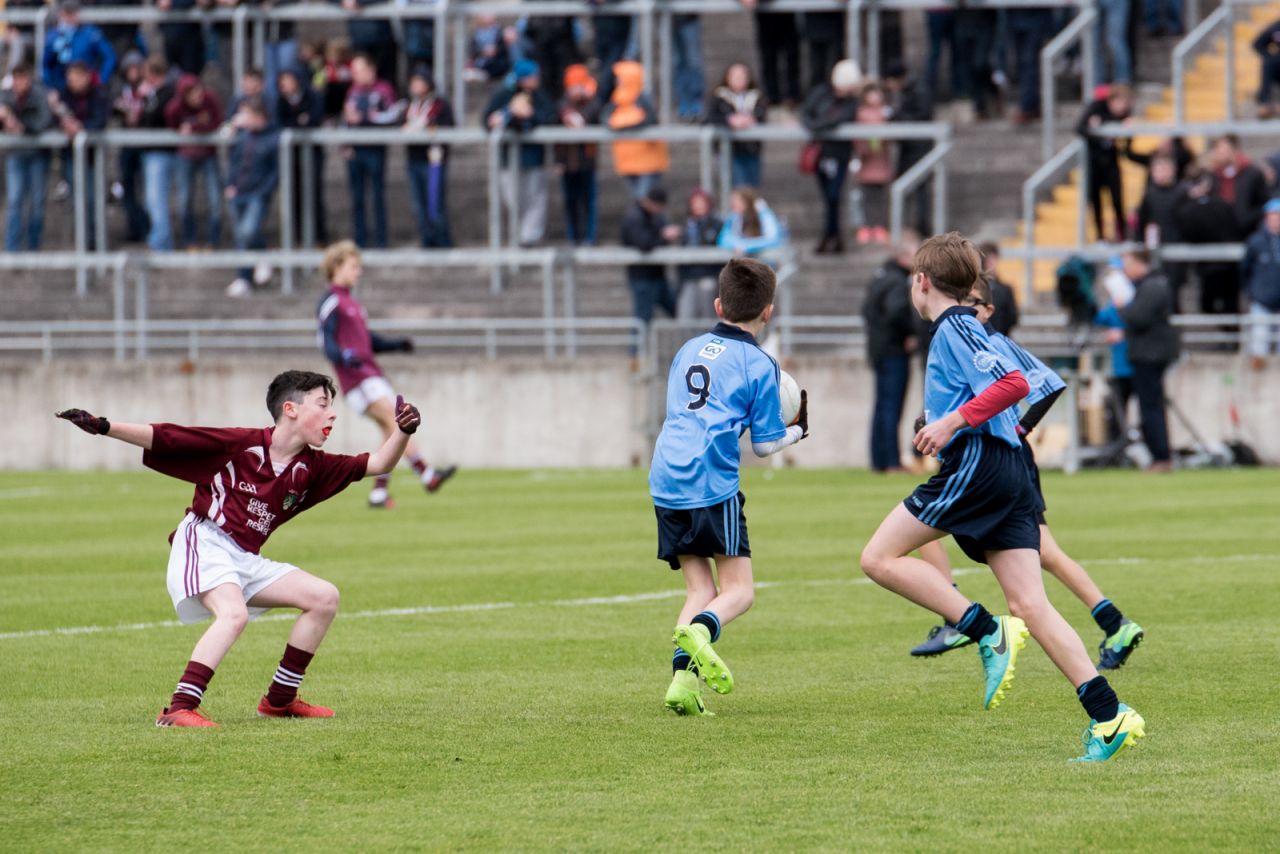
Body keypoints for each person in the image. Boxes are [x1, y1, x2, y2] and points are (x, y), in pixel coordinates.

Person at [858, 232, 1146, 762]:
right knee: (1031, 604)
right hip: (1008, 466)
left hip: (979, 467)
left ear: (921, 282)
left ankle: (983, 630)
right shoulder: (975, 327)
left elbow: (1014, 384)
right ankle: (1110, 716)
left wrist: (951, 423)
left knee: (878, 557)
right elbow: (1042, 382)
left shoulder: (953, 328)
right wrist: (960, 421)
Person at [54, 370, 424, 727]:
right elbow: (166, 437)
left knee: (324, 597)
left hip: (243, 556)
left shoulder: (315, 466)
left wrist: (403, 430)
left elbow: (379, 463)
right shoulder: (240, 444)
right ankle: (179, 708)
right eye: (322, 403)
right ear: (290, 409)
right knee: (234, 615)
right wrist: (103, 426)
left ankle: (279, 701)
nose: (332, 414)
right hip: (204, 539)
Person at [909, 274, 1145, 672]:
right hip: (989, 459)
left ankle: (958, 619)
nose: (968, 310)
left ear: (988, 310)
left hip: (1001, 460)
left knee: (927, 529)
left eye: (975, 304)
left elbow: (1046, 385)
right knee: (1039, 554)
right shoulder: (965, 340)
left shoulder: (991, 342)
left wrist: (1019, 429)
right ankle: (1112, 623)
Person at [650, 257, 810, 716]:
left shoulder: (688, 348)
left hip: (665, 477)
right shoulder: (759, 364)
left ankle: (682, 682)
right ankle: (702, 633)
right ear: (768, 312)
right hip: (710, 481)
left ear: (718, 303)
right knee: (738, 592)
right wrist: (798, 429)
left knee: (699, 591)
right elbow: (763, 446)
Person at [316, 241, 457, 507]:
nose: (358, 272)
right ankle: (426, 474)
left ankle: (379, 492)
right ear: (336, 267)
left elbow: (366, 341)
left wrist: (396, 345)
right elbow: (326, 341)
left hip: (372, 374)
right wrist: (343, 357)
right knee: (398, 421)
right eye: (353, 266)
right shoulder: (332, 301)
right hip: (358, 379)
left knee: (390, 429)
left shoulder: (353, 304)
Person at [862, 232, 919, 473]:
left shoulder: (881, 276)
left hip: (878, 349)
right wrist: (910, 334)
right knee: (892, 407)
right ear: (905, 256)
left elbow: (866, 310)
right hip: (893, 351)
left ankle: (879, 460)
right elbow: (896, 312)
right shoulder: (897, 281)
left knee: (881, 406)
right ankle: (892, 461)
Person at [1118, 248, 1179, 472]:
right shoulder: (1153, 284)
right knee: (1151, 406)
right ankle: (1159, 455)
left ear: (1139, 263)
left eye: (1127, 263)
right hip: (1149, 352)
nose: (1125, 270)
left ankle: (1161, 457)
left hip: (1149, 354)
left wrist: (1122, 305)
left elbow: (1139, 318)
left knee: (1150, 406)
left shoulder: (1152, 286)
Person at [484, 58, 556, 246]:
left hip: (533, 157)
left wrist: (530, 117)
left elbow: (549, 116)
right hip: (508, 159)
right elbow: (487, 119)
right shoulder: (503, 94)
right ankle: (519, 235)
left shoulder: (539, 96)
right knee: (513, 198)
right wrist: (503, 117)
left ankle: (530, 238)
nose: (537, 79)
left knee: (535, 197)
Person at [801, 59, 861, 255]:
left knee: (833, 196)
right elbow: (807, 114)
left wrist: (818, 125)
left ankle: (831, 236)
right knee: (828, 197)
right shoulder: (821, 93)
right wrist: (818, 125)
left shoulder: (852, 101)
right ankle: (831, 235)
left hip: (839, 153)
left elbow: (837, 119)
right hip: (821, 153)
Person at [224, 98, 279, 297]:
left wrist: (264, 191)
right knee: (241, 236)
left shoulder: (273, 139)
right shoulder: (241, 136)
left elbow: (275, 172)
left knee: (248, 231)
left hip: (257, 194)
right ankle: (244, 277)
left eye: (248, 115)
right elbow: (233, 162)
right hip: (238, 191)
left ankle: (260, 256)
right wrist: (230, 184)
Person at [343, 54, 399, 249]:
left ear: (371, 70)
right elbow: (346, 121)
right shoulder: (352, 91)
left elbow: (392, 115)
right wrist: (346, 144)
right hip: (355, 150)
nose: (355, 75)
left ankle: (381, 240)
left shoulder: (383, 89)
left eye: (359, 70)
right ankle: (360, 240)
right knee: (357, 197)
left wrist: (366, 118)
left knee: (377, 195)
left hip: (375, 149)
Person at [51, 60, 108, 249]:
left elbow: (100, 120)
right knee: (77, 200)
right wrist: (62, 123)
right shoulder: (63, 95)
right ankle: (82, 241)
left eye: (75, 77)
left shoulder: (98, 93)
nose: (71, 81)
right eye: (69, 77)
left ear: (85, 76)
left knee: (92, 199)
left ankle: (94, 243)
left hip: (92, 157)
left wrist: (81, 128)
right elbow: (51, 119)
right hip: (70, 156)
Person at [165, 73, 224, 250]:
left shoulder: (211, 99)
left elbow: (218, 123)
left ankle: (213, 242)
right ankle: (190, 241)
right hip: (185, 157)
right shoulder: (174, 108)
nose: (198, 97)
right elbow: (172, 127)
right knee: (184, 201)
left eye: (199, 92)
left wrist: (195, 128)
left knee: (216, 201)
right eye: (193, 94)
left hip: (209, 155)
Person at [0, 63, 54, 252]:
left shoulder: (40, 95)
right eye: (16, 79)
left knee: (37, 203)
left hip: (38, 155)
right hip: (16, 154)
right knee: (14, 201)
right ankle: (12, 248)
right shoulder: (6, 97)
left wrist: (21, 126)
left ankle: (33, 247)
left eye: (22, 78)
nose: (19, 83)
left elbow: (44, 121)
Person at [402, 67, 455, 248]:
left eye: (420, 82)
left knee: (436, 204)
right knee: (419, 205)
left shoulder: (440, 105)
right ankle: (427, 241)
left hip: (434, 161)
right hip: (414, 158)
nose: (416, 86)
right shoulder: (409, 106)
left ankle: (443, 241)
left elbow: (448, 128)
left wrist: (427, 129)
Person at [620, 185, 680, 343]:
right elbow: (644, 243)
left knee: (678, 310)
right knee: (642, 318)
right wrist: (664, 237)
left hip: (658, 276)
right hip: (642, 278)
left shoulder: (656, 217)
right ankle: (635, 355)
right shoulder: (635, 217)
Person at [603, 60, 669, 200]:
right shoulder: (617, 98)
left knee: (645, 201)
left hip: (647, 161)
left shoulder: (643, 99)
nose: (618, 81)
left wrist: (623, 122)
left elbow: (649, 119)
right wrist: (628, 120)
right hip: (627, 160)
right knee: (637, 201)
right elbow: (607, 119)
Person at [276, 68, 328, 245]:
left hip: (313, 154)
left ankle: (319, 237)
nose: (285, 86)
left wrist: (301, 121)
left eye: (288, 80)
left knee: (314, 194)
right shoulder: (280, 102)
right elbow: (281, 123)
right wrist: (299, 121)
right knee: (294, 196)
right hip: (291, 156)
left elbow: (314, 118)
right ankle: (297, 237)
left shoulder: (312, 96)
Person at [1077, 84, 1132, 243]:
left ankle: (1123, 235)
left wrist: (1127, 132)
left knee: (1117, 200)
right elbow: (1080, 128)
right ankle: (1100, 236)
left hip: (1111, 163)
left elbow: (1127, 148)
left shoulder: (1124, 115)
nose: (1122, 108)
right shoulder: (1096, 108)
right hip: (1093, 164)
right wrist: (1098, 133)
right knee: (1096, 201)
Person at [554, 64, 600, 247]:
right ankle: (573, 237)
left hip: (587, 162)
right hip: (567, 164)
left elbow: (591, 116)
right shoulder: (561, 106)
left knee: (589, 201)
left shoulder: (591, 104)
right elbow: (557, 140)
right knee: (570, 202)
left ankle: (590, 237)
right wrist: (558, 162)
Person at [138, 57, 178, 252]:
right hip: (151, 152)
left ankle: (160, 244)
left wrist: (147, 98)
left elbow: (154, 118)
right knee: (151, 200)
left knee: (156, 200)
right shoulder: (154, 95)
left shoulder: (168, 93)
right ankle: (159, 239)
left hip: (162, 153)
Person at [707, 63, 767, 190]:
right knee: (738, 188)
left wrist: (750, 119)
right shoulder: (719, 97)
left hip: (751, 149)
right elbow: (710, 118)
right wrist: (730, 120)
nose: (739, 79)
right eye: (735, 76)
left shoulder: (756, 97)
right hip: (730, 150)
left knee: (752, 189)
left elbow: (762, 116)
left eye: (742, 75)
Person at [111, 51, 150, 243]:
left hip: (146, 144)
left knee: (146, 189)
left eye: (137, 68)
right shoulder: (120, 89)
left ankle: (146, 227)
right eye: (130, 68)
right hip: (127, 145)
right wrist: (120, 109)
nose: (133, 72)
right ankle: (134, 227)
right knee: (127, 186)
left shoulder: (148, 89)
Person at [41, 0, 115, 95]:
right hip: (62, 88)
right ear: (61, 14)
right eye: (67, 13)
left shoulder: (90, 34)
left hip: (88, 89)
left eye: (73, 13)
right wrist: (50, 88)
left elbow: (109, 56)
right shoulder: (54, 36)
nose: (70, 18)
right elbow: (46, 64)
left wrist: (101, 80)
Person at [1239, 198, 1280, 368]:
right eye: (1273, 216)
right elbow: (1245, 269)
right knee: (1259, 339)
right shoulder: (1256, 242)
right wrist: (1253, 291)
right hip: (1262, 299)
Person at [854, 82, 894, 245]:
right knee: (867, 197)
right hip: (867, 161)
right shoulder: (861, 113)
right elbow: (857, 138)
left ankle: (879, 226)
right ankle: (866, 226)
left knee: (880, 197)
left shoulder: (886, 113)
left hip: (881, 160)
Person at [676, 188, 722, 320]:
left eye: (701, 202)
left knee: (708, 315)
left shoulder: (716, 223)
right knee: (686, 314)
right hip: (689, 276)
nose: (698, 206)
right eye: (695, 203)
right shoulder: (688, 224)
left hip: (708, 275)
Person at [748, 0, 800, 109]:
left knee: (791, 58)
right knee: (768, 58)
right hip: (765, 19)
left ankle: (792, 95)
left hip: (787, 18)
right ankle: (772, 96)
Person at [716, 187, 782, 257]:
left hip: (766, 262)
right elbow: (723, 239)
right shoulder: (734, 217)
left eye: (738, 200)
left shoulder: (765, 215)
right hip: (745, 262)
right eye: (733, 200)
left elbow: (772, 239)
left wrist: (747, 246)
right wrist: (737, 244)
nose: (733, 203)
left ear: (747, 201)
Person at [977, 242, 1019, 336]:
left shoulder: (1005, 289)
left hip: (999, 337)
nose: (992, 264)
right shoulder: (974, 290)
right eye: (989, 260)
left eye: (994, 259)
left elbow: (1012, 318)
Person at [1254, 18, 1280, 117]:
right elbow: (1258, 43)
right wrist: (1268, 56)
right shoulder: (1276, 27)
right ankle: (1264, 103)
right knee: (1268, 63)